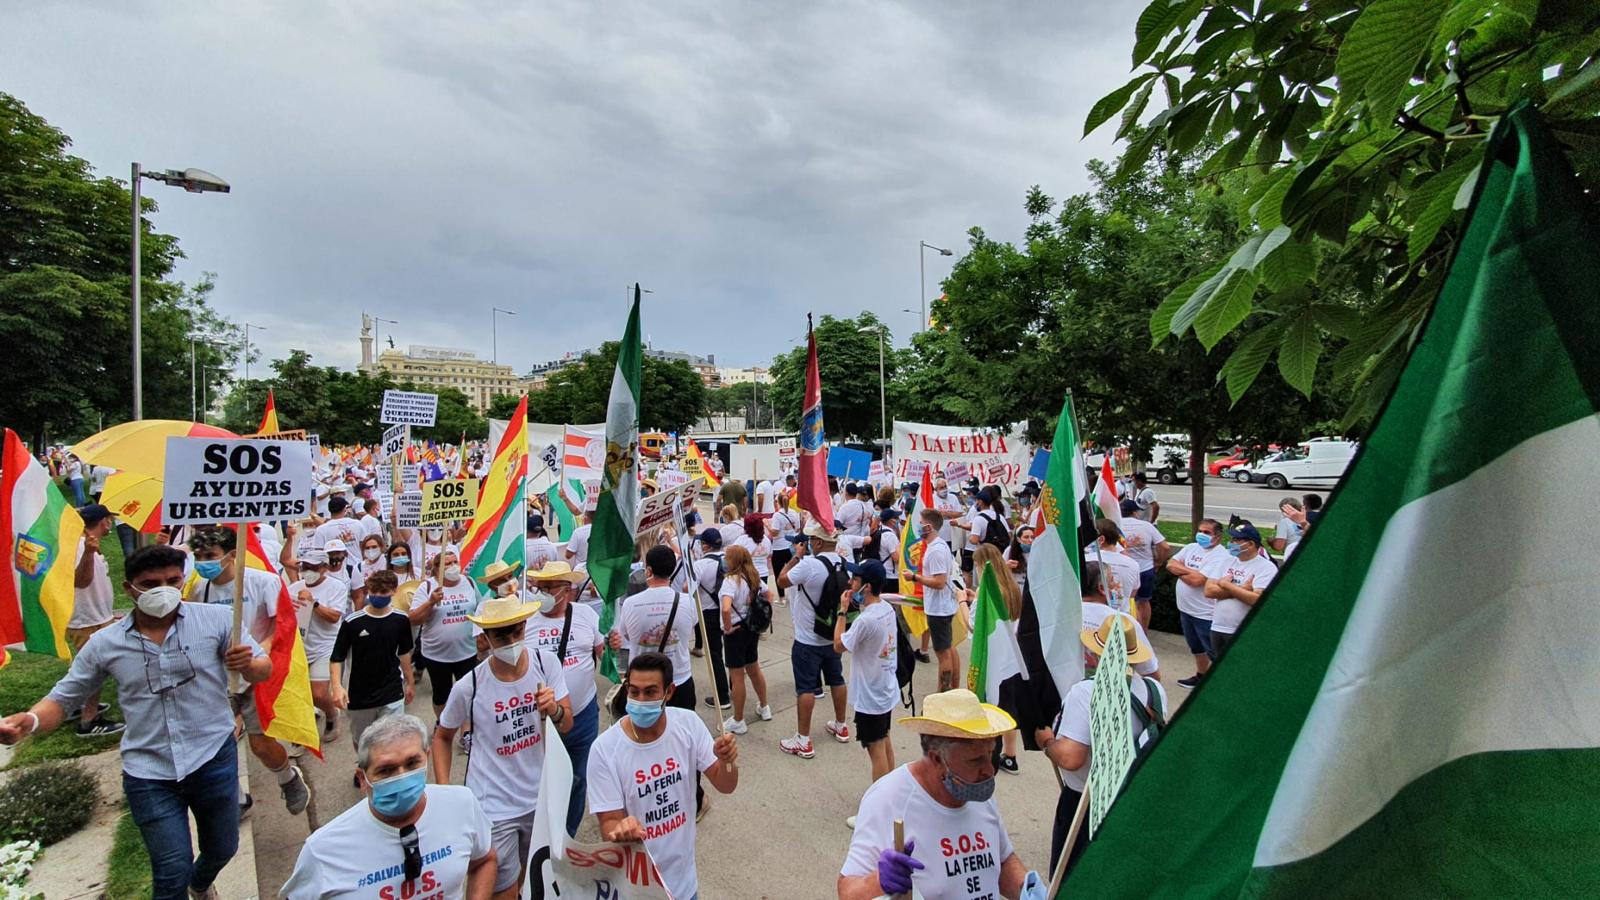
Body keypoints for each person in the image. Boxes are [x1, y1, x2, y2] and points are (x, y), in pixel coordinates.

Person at [0, 545, 271, 900]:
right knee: (171, 870)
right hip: (150, 772)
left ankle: (201, 884)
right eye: (151, 583)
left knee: (222, 848)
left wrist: (248, 665)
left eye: (173, 580)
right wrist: (30, 722)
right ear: (129, 588)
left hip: (212, 759)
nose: (164, 589)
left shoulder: (218, 621)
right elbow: (64, 697)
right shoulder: (104, 644)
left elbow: (264, 668)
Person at [839, 689, 1042, 900]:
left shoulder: (977, 790)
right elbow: (847, 892)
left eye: (990, 755)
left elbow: (1000, 861)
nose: (989, 771)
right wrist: (878, 881)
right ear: (937, 759)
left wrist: (1026, 888)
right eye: (975, 761)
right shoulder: (888, 799)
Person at [433, 596, 571, 899]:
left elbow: (567, 722)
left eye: (516, 631)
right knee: (501, 888)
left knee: (532, 875)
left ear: (525, 628)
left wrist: (554, 710)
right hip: (492, 805)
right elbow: (442, 736)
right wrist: (445, 792)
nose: (510, 640)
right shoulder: (469, 685)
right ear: (486, 638)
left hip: (540, 798)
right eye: (501, 635)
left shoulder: (545, 664)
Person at [281, 714, 496, 899]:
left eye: (412, 763)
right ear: (363, 779)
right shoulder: (322, 850)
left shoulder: (461, 805)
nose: (402, 777)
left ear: (427, 758)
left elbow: (485, 860)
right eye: (386, 770)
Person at [586, 652, 739, 899]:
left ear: (669, 692)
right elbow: (608, 824)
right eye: (634, 692)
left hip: (684, 886)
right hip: (635, 889)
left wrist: (727, 761)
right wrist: (621, 828)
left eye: (650, 692)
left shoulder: (688, 725)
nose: (640, 700)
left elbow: (726, 784)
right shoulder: (604, 750)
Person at [187, 527, 310, 817]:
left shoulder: (263, 582)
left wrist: (258, 651)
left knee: (260, 745)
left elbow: (282, 623)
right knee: (215, 744)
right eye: (199, 556)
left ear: (231, 555)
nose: (203, 561)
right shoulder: (198, 591)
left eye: (210, 556)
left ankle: (287, 777)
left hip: (256, 675)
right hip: (217, 679)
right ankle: (235, 796)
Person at [1035, 615, 1167, 877]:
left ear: (1096, 653)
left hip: (1087, 802)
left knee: (1071, 878)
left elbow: (1072, 758)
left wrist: (1047, 742)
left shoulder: (1086, 692)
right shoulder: (1154, 690)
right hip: (1131, 797)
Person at [524, 560, 605, 837]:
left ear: (567, 590)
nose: (543, 592)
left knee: (578, 777)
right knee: (543, 777)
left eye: (550, 587)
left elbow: (603, 654)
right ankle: (541, 833)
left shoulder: (585, 616)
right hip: (541, 720)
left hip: (583, 715)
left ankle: (566, 834)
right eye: (541, 587)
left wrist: (615, 649)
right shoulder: (526, 621)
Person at [777, 521, 854, 757]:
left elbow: (782, 580)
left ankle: (803, 739)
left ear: (818, 542)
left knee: (806, 688)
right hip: (832, 635)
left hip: (808, 639)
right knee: (837, 680)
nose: (808, 544)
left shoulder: (809, 564)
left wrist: (794, 558)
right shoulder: (844, 563)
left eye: (810, 540)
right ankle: (841, 726)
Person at [833, 559, 898, 808]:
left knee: (876, 749)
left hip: (871, 693)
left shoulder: (866, 620)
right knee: (884, 740)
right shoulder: (886, 609)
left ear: (867, 586)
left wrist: (842, 610)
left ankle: (878, 808)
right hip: (884, 686)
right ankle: (891, 795)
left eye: (856, 580)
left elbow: (839, 644)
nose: (851, 582)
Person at [331, 570, 417, 752]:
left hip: (391, 690)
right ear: (368, 589)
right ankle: (363, 767)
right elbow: (337, 657)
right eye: (374, 591)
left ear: (394, 591)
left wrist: (410, 683)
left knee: (392, 738)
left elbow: (404, 654)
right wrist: (337, 687)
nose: (378, 595)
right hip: (359, 694)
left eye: (383, 592)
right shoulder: (352, 622)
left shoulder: (400, 620)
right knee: (362, 740)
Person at [68, 503, 124, 737]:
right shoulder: (82, 547)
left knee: (88, 665)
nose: (110, 524)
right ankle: (89, 720)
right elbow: (80, 581)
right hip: (88, 618)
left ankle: (74, 705)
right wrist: (90, 554)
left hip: (97, 615)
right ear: (104, 521)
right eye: (109, 520)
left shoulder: (87, 544)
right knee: (94, 669)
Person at [408, 550, 483, 723]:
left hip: (467, 652)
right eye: (447, 564)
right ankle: (442, 724)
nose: (452, 566)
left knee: (469, 693)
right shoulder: (427, 587)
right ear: (436, 569)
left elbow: (480, 609)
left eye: (454, 562)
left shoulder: (469, 582)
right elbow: (413, 619)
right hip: (436, 654)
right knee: (441, 694)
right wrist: (431, 602)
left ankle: (466, 730)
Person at [289, 548, 351, 738]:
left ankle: (332, 714)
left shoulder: (336, 587)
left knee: (319, 694)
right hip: (300, 647)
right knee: (300, 694)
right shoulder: (293, 588)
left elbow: (334, 617)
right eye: (304, 567)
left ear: (324, 568)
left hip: (326, 647)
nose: (307, 571)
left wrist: (313, 603)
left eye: (312, 567)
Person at [718, 544, 772, 734]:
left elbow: (726, 608)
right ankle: (764, 706)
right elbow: (768, 594)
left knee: (737, 675)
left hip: (736, 631)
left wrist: (727, 627)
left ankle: (738, 719)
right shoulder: (753, 576)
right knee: (754, 668)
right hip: (751, 627)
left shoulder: (730, 581)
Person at [1203, 524, 1279, 657]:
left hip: (1242, 632)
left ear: (1250, 544)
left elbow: (1256, 600)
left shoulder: (1266, 567)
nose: (1231, 543)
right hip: (1217, 628)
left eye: (1236, 540)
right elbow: (1209, 591)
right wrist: (1243, 589)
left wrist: (1226, 585)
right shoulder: (1227, 560)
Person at [1167, 518, 1224, 687]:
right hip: (1186, 610)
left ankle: (1221, 683)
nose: (1201, 535)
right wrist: (1191, 572)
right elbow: (1170, 564)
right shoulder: (1191, 548)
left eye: (1207, 533)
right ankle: (1201, 675)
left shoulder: (1220, 556)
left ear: (1218, 537)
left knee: (1213, 651)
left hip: (1206, 614)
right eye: (1200, 531)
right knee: (1196, 648)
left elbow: (1197, 581)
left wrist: (1182, 570)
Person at [909, 508, 960, 692]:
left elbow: (939, 582)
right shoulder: (936, 546)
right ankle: (953, 688)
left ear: (928, 526)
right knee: (948, 647)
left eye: (920, 523)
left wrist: (915, 578)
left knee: (943, 653)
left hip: (939, 610)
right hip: (940, 606)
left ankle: (943, 692)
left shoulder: (936, 550)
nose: (918, 526)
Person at [689, 530, 733, 710]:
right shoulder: (731, 559)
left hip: (709, 614)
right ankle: (734, 687)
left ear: (705, 545)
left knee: (715, 654)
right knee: (732, 654)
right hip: (731, 611)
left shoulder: (700, 564)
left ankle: (722, 697)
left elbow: (687, 587)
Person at [1116, 498, 1170, 628]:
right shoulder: (1146, 526)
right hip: (1145, 570)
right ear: (1134, 512)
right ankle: (1143, 631)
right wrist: (1159, 562)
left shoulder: (1115, 526)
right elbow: (1165, 547)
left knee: (1121, 602)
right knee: (1143, 602)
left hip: (1122, 570)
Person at [1086, 518, 1143, 616]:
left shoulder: (1087, 560)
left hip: (1094, 616)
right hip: (1123, 617)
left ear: (1101, 539)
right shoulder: (1133, 564)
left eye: (1091, 538)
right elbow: (1132, 594)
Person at [766, 500, 802, 605]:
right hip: (792, 546)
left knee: (778, 573)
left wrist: (767, 525)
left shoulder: (777, 515)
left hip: (779, 547)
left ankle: (782, 598)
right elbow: (798, 529)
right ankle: (796, 595)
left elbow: (774, 533)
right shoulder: (794, 513)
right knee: (794, 571)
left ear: (778, 502)